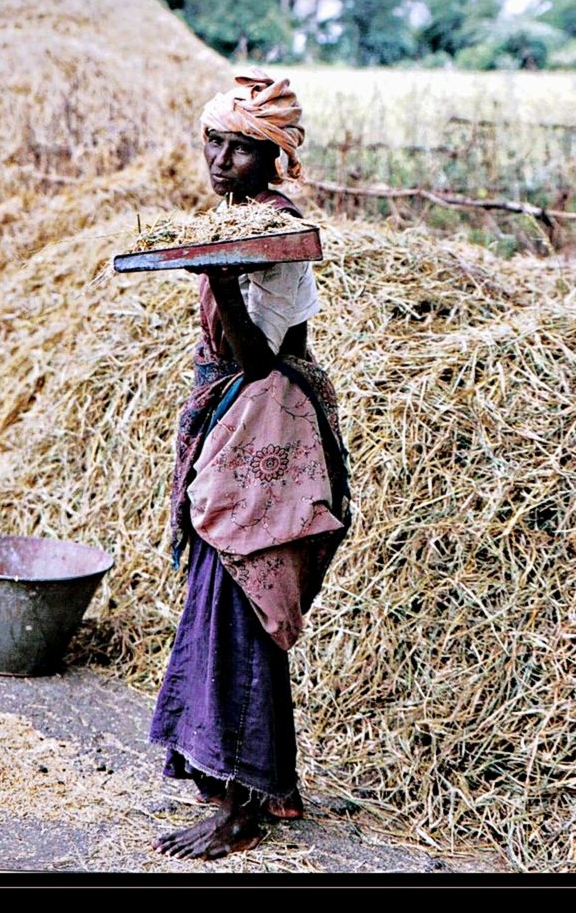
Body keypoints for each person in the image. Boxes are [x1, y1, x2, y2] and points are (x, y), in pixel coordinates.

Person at [148, 69, 351, 860]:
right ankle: (233, 783)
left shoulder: (275, 234)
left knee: (244, 590)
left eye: (242, 148)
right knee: (220, 589)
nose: (222, 159)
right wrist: (216, 269)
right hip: (235, 423)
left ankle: (244, 806)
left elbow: (260, 357)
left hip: (268, 429)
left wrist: (223, 282)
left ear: (276, 161)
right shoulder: (240, 224)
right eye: (214, 141)